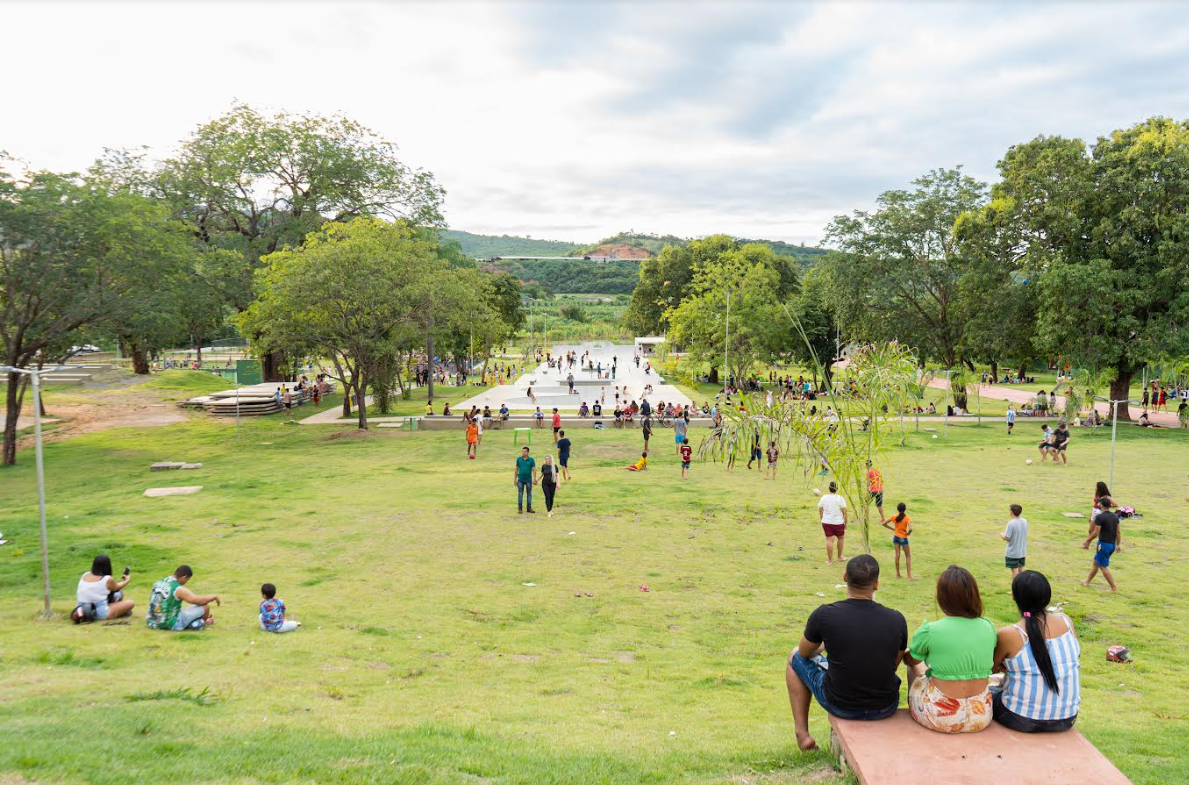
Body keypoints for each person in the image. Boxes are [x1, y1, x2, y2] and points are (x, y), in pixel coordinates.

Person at [785, 555, 907, 751]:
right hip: (885, 705)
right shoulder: (897, 619)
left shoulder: (824, 615)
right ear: (876, 584)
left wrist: (826, 642)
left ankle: (802, 734)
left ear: (844, 577)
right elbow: (892, 665)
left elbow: (804, 652)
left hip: (840, 704)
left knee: (794, 657)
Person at [903, 566, 996, 733]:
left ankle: (913, 704)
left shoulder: (930, 630)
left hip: (941, 718)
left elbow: (911, 660)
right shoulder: (988, 627)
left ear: (942, 597)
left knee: (915, 667)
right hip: (981, 715)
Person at [992, 571, 1081, 732]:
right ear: (1047, 596)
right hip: (1067, 718)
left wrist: (1006, 666)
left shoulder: (1009, 634)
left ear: (1014, 596)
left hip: (1021, 717)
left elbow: (990, 668)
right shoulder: (1066, 622)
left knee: (987, 692)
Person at [146, 565, 220, 631]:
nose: (186, 582)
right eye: (187, 580)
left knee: (185, 609)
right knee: (205, 607)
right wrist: (212, 597)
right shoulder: (178, 588)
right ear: (184, 577)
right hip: (170, 624)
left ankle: (196, 623)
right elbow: (198, 601)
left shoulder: (158, 583)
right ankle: (204, 623)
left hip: (152, 622)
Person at [73, 555, 134, 623]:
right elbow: (116, 587)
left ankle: (84, 614)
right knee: (130, 603)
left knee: (116, 596)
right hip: (101, 613)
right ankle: (119, 612)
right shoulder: (107, 579)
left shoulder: (85, 574)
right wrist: (126, 580)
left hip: (82, 608)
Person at [1082, 497, 1121, 591]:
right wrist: (1118, 545)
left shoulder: (1099, 517)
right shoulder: (1115, 516)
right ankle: (1087, 581)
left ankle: (1113, 588)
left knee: (1102, 566)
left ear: (1101, 505)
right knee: (1096, 563)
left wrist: (1087, 541)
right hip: (1111, 545)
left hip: (1103, 545)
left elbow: (1096, 533)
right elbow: (1118, 532)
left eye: (1099, 503)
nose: (1098, 505)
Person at [817, 481, 848, 565]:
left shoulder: (824, 497)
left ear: (829, 488)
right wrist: (846, 522)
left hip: (826, 522)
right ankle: (840, 556)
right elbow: (845, 511)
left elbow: (820, 509)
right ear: (837, 489)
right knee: (841, 538)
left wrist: (822, 518)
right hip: (838, 522)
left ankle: (830, 561)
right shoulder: (840, 498)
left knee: (829, 540)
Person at [881, 502, 913, 579]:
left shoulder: (894, 517)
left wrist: (893, 529)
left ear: (897, 509)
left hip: (896, 537)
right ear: (905, 509)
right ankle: (909, 576)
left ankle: (898, 574)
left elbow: (883, 523)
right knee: (908, 556)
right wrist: (908, 533)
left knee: (897, 555)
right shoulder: (907, 518)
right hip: (903, 538)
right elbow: (911, 528)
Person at [998, 503, 1029, 578]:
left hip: (1013, 552)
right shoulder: (1025, 521)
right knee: (1021, 570)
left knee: (1014, 571)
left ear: (1011, 512)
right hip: (1022, 551)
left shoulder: (1011, 523)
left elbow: (1007, 538)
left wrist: (1002, 534)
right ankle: (1025, 587)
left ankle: (1015, 589)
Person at [514, 446, 537, 514]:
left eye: (524, 451)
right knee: (520, 494)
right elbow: (516, 469)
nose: (523, 452)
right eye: (522, 451)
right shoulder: (519, 459)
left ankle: (529, 508)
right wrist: (515, 480)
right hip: (520, 479)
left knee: (529, 494)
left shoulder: (531, 460)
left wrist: (534, 478)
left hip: (528, 480)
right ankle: (520, 508)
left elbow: (534, 469)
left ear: (528, 452)